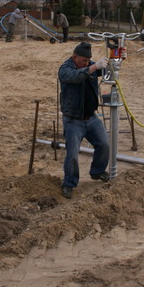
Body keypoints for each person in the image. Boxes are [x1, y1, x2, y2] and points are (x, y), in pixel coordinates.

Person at [58, 41, 110, 199]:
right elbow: (75, 77)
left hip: (92, 118)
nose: (87, 64)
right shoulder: (66, 69)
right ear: (75, 57)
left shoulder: (89, 65)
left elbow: (105, 71)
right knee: (72, 154)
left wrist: (114, 61)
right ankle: (69, 183)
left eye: (89, 61)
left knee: (104, 144)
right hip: (73, 120)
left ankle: (97, 172)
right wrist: (93, 67)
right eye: (84, 61)